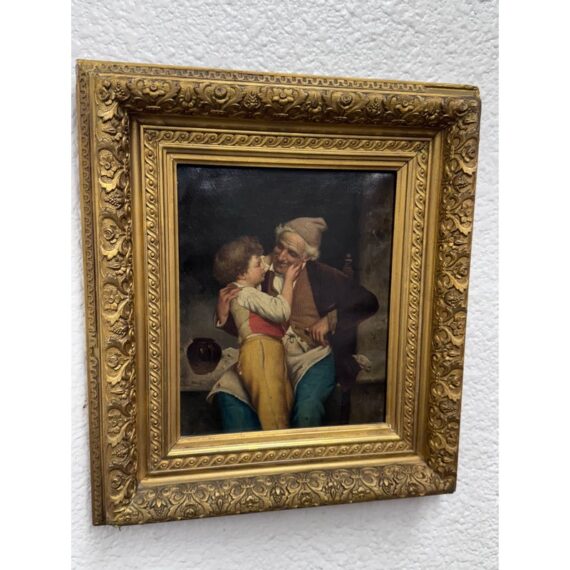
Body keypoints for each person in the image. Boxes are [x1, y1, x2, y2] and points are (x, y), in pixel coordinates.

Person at [210, 217, 378, 430]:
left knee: (307, 409)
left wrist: (330, 319)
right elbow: (248, 326)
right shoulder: (259, 270)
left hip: (311, 358)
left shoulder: (323, 275)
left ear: (306, 257)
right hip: (269, 357)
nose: (281, 256)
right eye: (280, 246)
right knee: (229, 396)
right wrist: (223, 315)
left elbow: (368, 302)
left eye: (292, 253)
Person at [212, 236, 301, 431]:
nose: (263, 266)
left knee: (282, 405)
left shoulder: (246, 288)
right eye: (257, 264)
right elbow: (282, 311)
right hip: (261, 351)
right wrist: (288, 280)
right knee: (273, 413)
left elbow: (264, 266)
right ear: (242, 273)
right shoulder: (245, 293)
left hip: (270, 351)